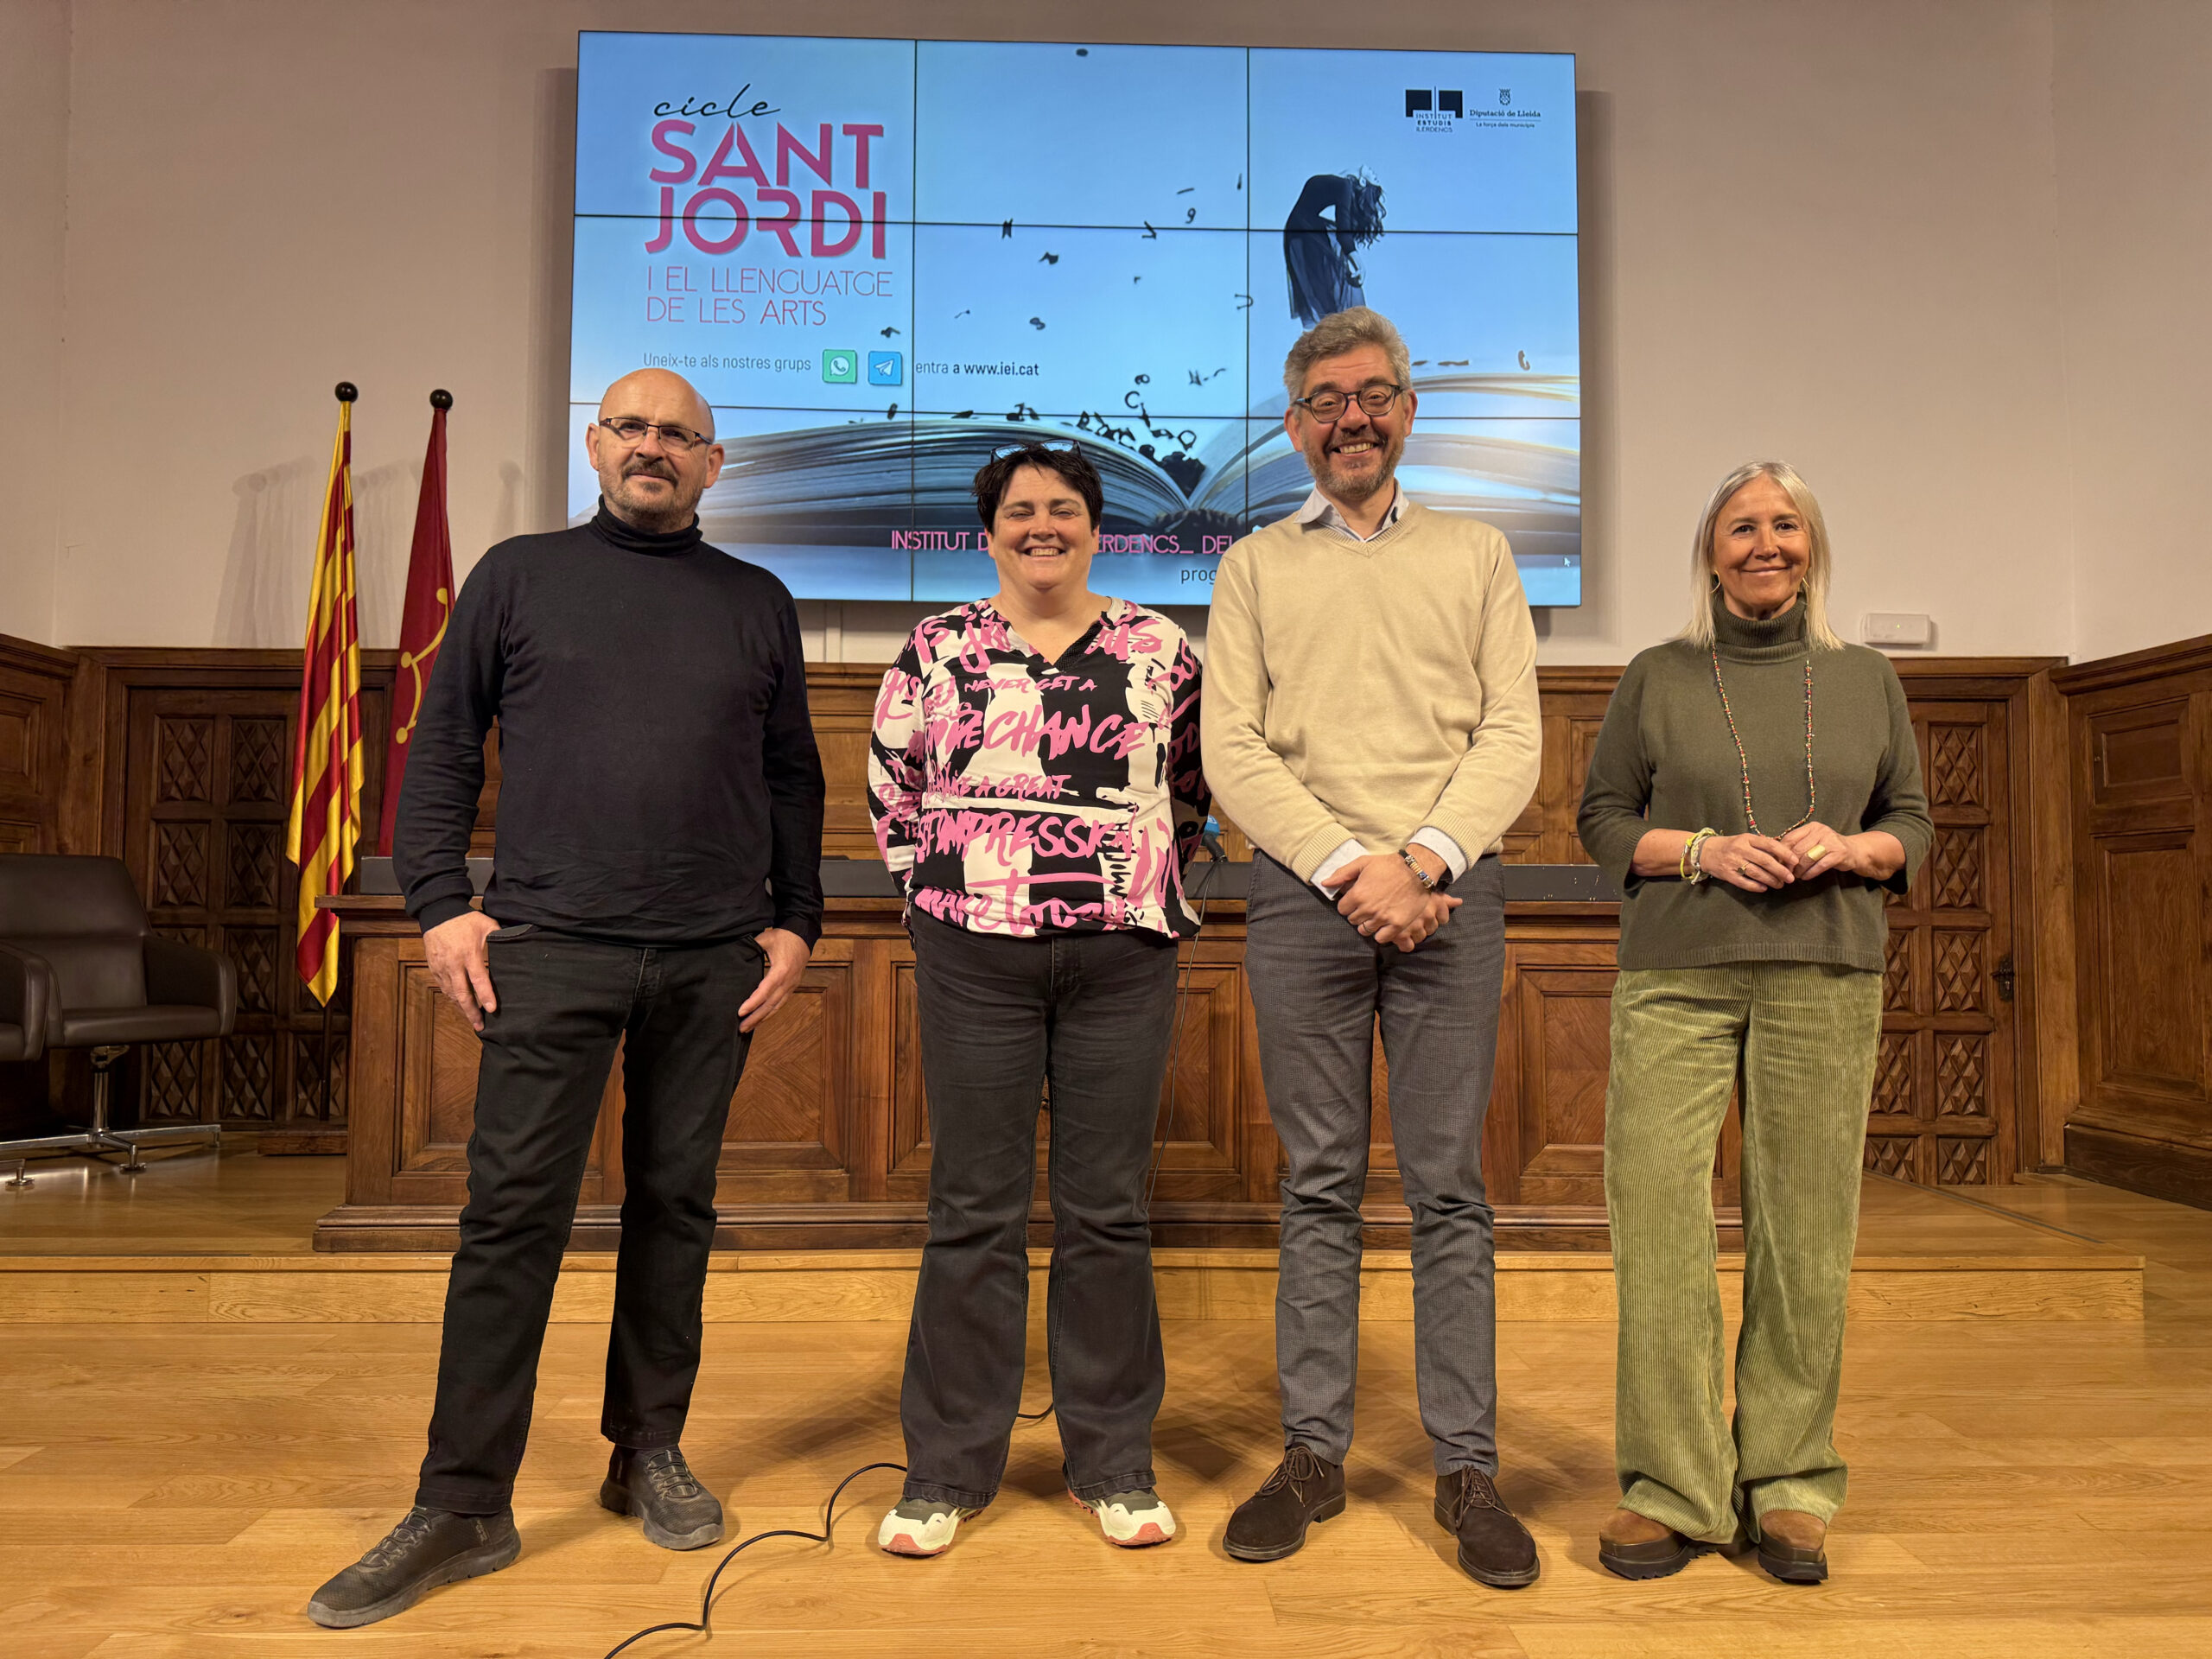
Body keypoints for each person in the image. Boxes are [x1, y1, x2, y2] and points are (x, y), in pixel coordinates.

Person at [308, 369, 825, 1628]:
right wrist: (439, 901)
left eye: (679, 435)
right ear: (594, 445)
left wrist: (798, 922)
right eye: (631, 427)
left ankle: (646, 1451)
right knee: (509, 1221)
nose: (653, 447)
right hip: (546, 950)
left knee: (674, 1210)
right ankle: (463, 1501)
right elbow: (440, 745)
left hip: (710, 961)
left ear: (713, 464)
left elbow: (792, 776)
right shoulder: (516, 575)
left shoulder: (757, 601)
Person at [1203, 308, 1543, 1587]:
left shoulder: (1479, 552)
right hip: (1309, 898)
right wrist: (1356, 870)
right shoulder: (1253, 567)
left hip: (1450, 895)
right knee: (1319, 1184)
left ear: (1407, 411)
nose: (1352, 418)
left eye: (1374, 395)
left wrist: (1427, 861)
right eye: (1326, 401)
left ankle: (1467, 1470)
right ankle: (1312, 1457)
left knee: (1449, 1187)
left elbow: (1513, 734)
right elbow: (1232, 748)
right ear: (1295, 428)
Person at [1575, 460, 1932, 1586]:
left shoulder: (1867, 677)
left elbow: (1912, 821)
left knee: (1805, 1232)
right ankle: (1673, 1487)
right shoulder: (1657, 674)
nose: (1764, 542)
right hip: (1676, 974)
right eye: (1741, 527)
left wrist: (1856, 848)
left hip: (1823, 971)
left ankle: (1787, 1481)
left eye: (1785, 524)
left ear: (1811, 547)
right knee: (1656, 1219)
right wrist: (1702, 851)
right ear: (1711, 552)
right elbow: (1602, 819)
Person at [867, 442, 1209, 1558]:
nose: (1042, 526)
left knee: (1107, 1211)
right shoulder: (937, 646)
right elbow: (892, 787)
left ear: (1096, 528)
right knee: (974, 1208)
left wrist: (1138, 880)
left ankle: (1112, 1463)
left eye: (1064, 508)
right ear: (990, 533)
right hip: (972, 956)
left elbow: (1195, 792)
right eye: (1020, 511)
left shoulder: (1161, 648)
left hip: (1122, 957)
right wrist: (939, 892)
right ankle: (946, 1471)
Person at [1283, 173, 1385, 326]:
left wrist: (1359, 265)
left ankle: (1340, 329)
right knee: (1324, 291)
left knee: (1326, 291)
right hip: (1304, 231)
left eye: (1374, 178)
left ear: (1363, 181)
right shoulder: (1343, 185)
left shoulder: (1345, 186)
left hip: (1304, 231)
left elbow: (1343, 234)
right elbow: (1343, 233)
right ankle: (1339, 328)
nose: (1374, 172)